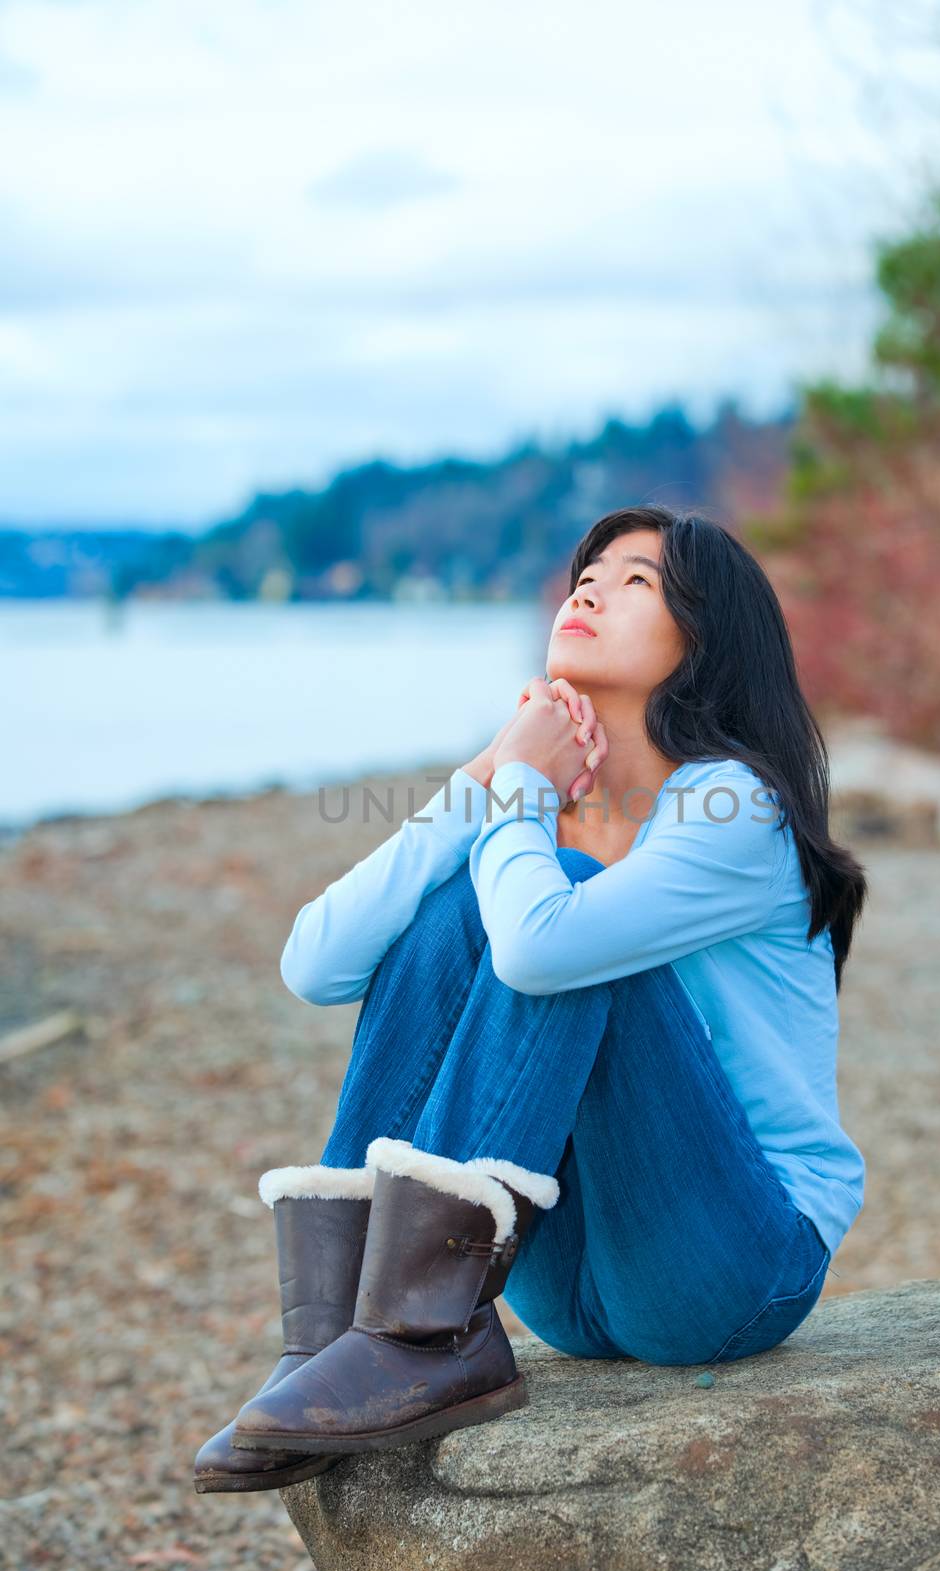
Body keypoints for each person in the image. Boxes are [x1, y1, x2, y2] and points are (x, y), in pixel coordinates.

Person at [194, 504, 868, 1494]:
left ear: (707, 638)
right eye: (589, 572)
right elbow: (317, 962)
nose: (591, 586)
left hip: (734, 1265)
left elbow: (541, 947)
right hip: (566, 1281)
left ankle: (418, 1332)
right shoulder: (532, 800)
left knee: (542, 894)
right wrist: (479, 781)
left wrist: (516, 799)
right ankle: (345, 1326)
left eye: (637, 580)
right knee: (462, 901)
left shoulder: (736, 807)